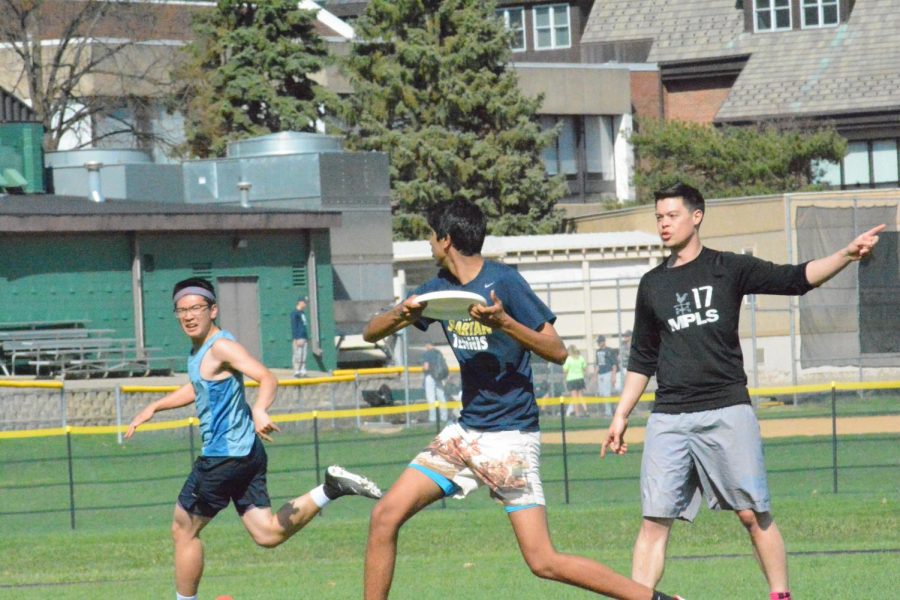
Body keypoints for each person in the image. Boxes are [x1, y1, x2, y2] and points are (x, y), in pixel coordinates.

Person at [362, 199, 684, 600]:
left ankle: (653, 599)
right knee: (383, 517)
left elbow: (557, 350)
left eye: (430, 235)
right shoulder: (436, 289)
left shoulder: (505, 283)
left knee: (542, 561)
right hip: (463, 434)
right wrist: (403, 314)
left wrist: (505, 323)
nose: (427, 243)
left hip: (509, 439)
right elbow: (371, 333)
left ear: (446, 240)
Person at [601, 182, 885, 600]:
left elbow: (795, 279)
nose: (663, 223)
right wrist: (621, 413)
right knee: (654, 520)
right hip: (669, 417)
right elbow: (643, 357)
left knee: (753, 514)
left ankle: (780, 594)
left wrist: (845, 253)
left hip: (726, 410)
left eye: (672, 215)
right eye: (658, 216)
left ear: (696, 216)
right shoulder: (653, 284)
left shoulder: (728, 268)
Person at [126, 278, 383, 600]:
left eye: (196, 308)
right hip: (246, 454)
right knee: (267, 533)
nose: (189, 316)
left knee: (183, 530)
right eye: (182, 310)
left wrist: (260, 409)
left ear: (213, 310)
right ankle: (330, 488)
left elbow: (265, 376)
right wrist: (155, 406)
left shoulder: (221, 346)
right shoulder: (202, 350)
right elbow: (198, 386)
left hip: (223, 457)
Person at [421, 342, 449, 422]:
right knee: (441, 397)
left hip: (430, 376)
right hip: (439, 376)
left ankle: (432, 418)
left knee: (431, 398)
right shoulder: (438, 352)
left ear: (428, 345)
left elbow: (426, 367)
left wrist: (422, 369)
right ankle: (444, 417)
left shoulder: (427, 353)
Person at [594, 335, 618, 416]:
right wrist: (594, 376)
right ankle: (605, 411)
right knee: (602, 393)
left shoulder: (609, 350)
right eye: (598, 342)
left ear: (603, 342)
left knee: (607, 393)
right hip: (600, 374)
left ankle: (608, 412)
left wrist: (613, 376)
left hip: (608, 372)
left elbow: (614, 364)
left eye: (600, 342)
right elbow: (597, 365)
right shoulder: (597, 351)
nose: (598, 344)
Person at [563, 344, 588, 417]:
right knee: (580, 396)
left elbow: (565, 370)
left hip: (571, 379)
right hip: (580, 378)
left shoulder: (569, 359)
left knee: (574, 398)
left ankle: (577, 413)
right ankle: (586, 410)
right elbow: (584, 368)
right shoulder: (580, 358)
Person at [291, 296, 309, 377]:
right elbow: (294, 326)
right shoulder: (295, 313)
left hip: (304, 337)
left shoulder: (302, 313)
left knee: (303, 354)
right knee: (297, 354)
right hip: (298, 337)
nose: (305, 304)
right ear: (300, 302)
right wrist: (296, 338)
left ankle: (302, 369)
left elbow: (304, 325)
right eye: (304, 302)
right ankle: (297, 370)